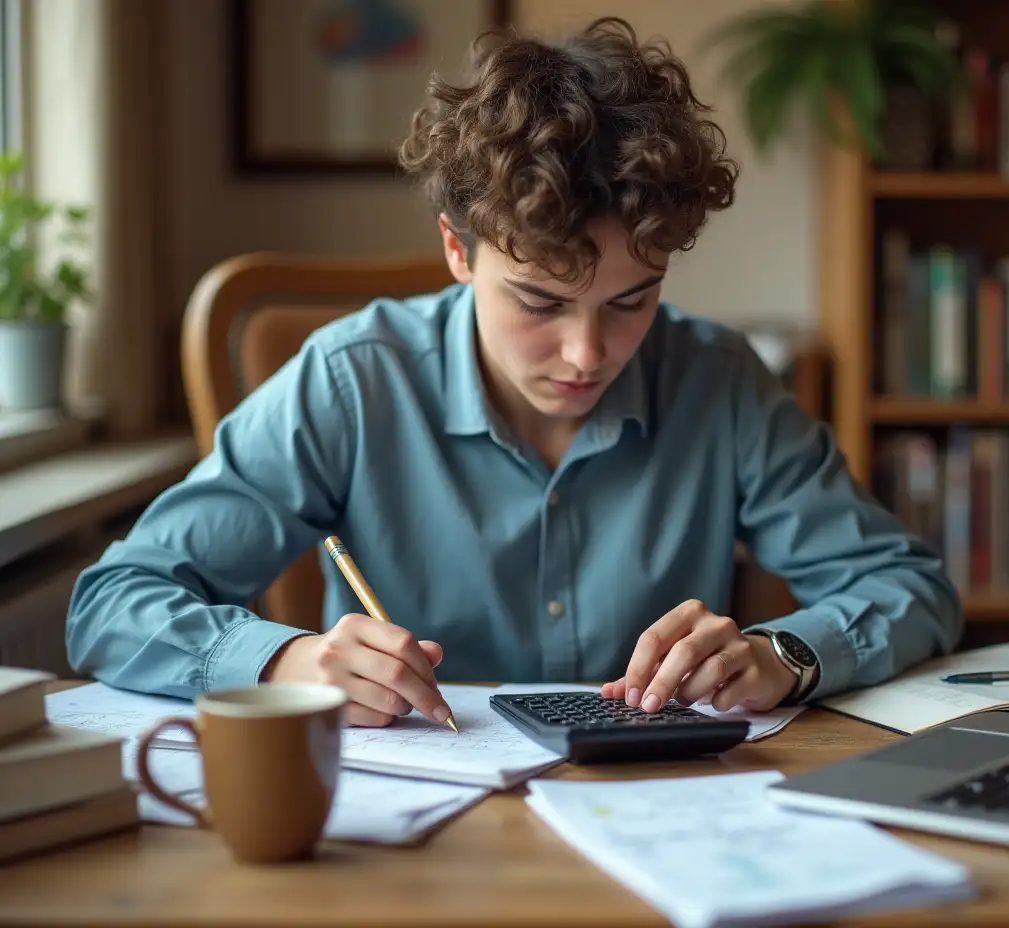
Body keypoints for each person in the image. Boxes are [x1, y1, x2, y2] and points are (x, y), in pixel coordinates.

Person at [65, 17, 962, 728]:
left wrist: (789, 654)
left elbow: (910, 587)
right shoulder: (351, 382)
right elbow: (112, 604)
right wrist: (280, 661)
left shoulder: (718, 382)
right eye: (539, 303)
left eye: (630, 300)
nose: (587, 355)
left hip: (664, 823)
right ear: (458, 249)